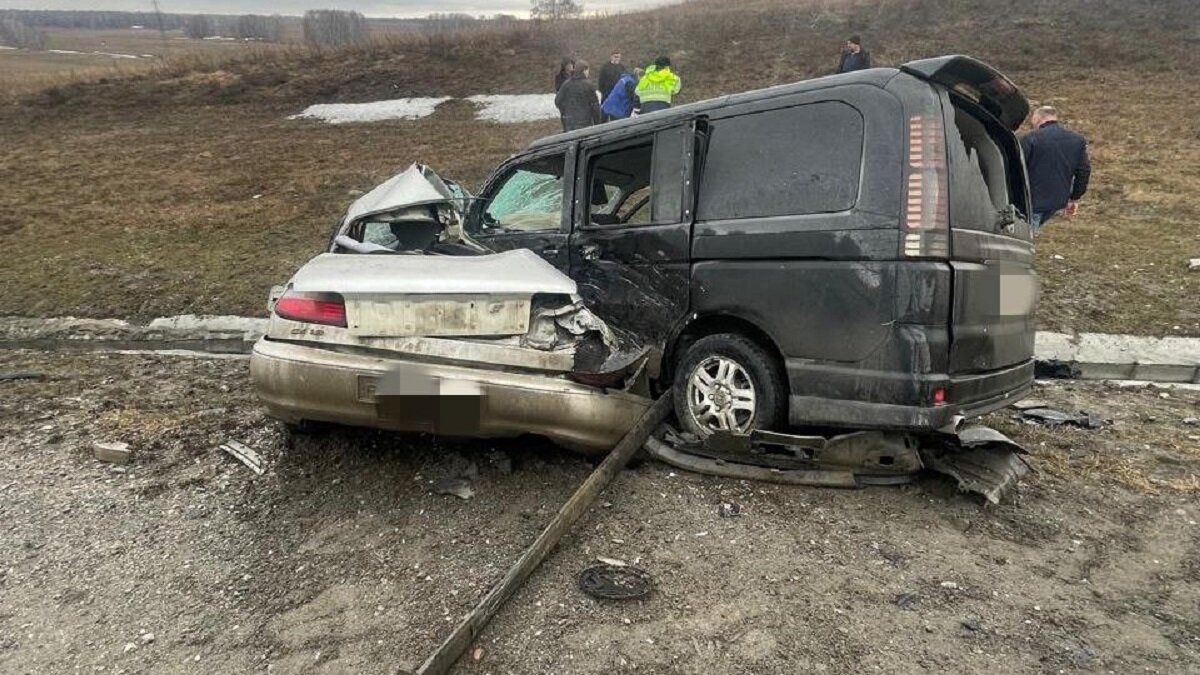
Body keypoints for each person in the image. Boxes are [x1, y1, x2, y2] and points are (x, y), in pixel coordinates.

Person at [1020, 105, 1091, 234]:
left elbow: (1017, 168)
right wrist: (1075, 197)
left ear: (1038, 118)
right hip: (1057, 201)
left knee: (1026, 236)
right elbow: (1083, 171)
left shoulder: (1031, 138)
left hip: (1030, 200)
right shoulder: (1077, 140)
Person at [555, 59, 602, 132]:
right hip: (585, 122)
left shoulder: (566, 84)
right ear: (584, 70)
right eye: (587, 70)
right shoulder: (588, 85)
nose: (588, 73)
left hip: (569, 122)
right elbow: (595, 106)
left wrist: (566, 112)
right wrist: (597, 123)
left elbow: (558, 101)